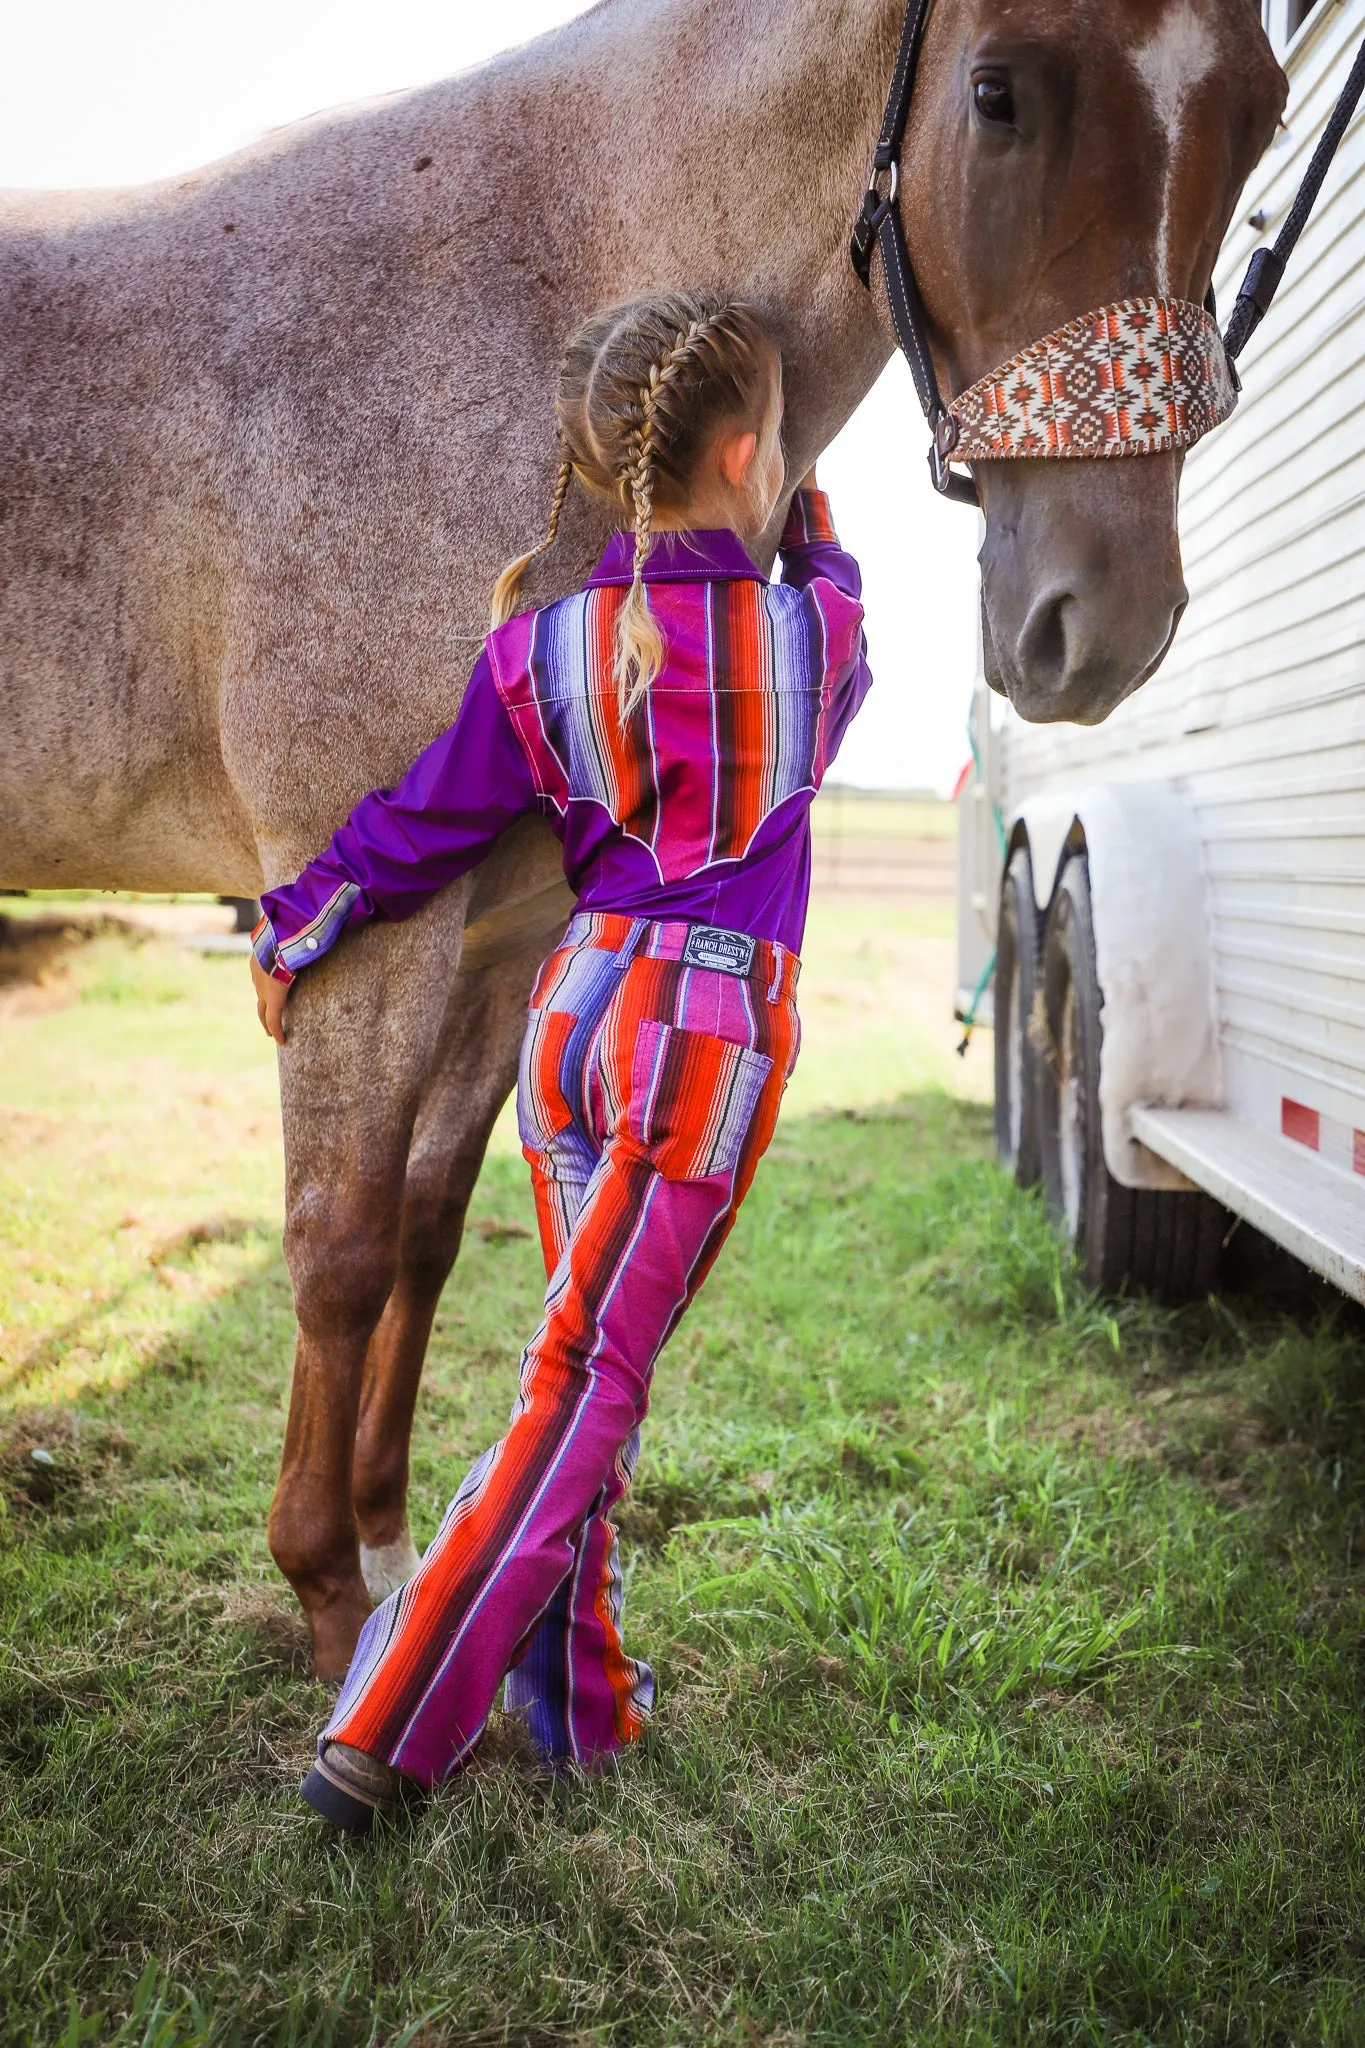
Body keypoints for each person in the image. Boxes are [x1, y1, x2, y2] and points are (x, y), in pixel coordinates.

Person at [249, 289, 872, 1831]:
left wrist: (299, 921)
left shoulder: (540, 652)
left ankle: (581, 1706)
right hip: (699, 1042)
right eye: (779, 442)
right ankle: (385, 1727)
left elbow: (425, 822)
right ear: (744, 457)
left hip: (574, 1026)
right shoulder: (820, 632)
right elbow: (830, 638)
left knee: (589, 1366)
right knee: (585, 1381)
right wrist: (823, 535)